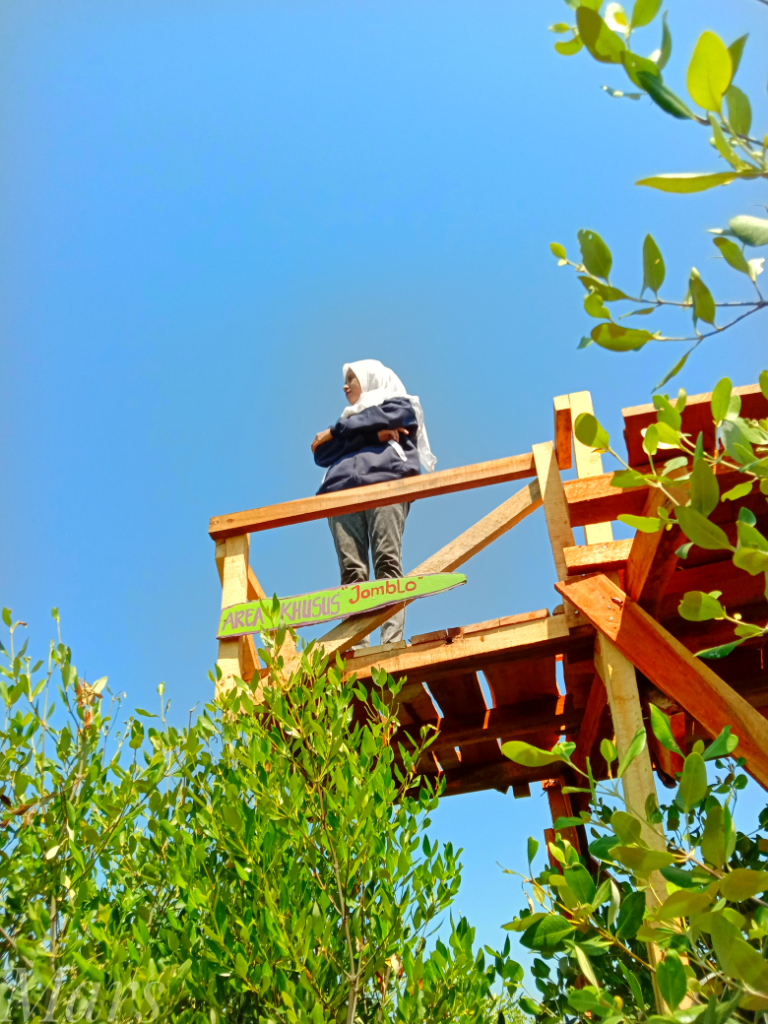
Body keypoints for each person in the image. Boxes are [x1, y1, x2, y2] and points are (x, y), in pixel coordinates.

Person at [311, 360, 436, 647]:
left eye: (351, 379)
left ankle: (389, 643)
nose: (345, 386)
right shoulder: (354, 419)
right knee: (352, 573)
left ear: (369, 379)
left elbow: (395, 417)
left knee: (386, 562)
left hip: (385, 484)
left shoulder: (397, 403)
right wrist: (369, 435)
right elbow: (320, 452)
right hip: (341, 493)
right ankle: (357, 645)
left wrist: (337, 431)